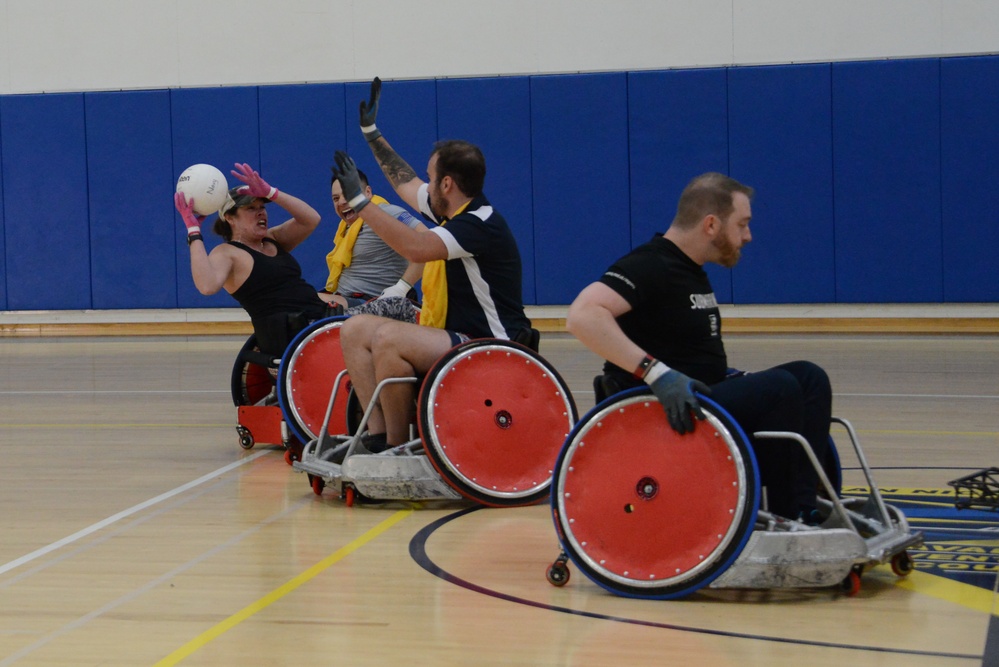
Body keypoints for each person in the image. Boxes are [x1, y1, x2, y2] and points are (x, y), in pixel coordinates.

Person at [565, 172, 832, 522]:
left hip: (703, 399)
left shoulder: (690, 268)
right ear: (710, 224)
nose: (748, 236)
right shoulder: (651, 264)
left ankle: (807, 503)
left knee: (809, 377)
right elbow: (582, 316)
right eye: (742, 224)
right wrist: (655, 373)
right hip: (663, 414)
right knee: (780, 389)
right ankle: (789, 514)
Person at [332, 77, 532, 451]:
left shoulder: (479, 224)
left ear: (447, 184)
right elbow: (403, 180)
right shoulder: (455, 209)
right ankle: (374, 438)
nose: (425, 182)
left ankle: (393, 448)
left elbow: (416, 247)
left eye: (432, 176)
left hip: (492, 344)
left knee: (389, 338)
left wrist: (360, 203)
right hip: (455, 337)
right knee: (355, 329)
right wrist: (372, 133)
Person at [174, 162, 335, 357]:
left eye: (262, 206)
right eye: (251, 208)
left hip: (325, 315)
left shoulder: (273, 239)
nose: (261, 212)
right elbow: (207, 286)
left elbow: (311, 219)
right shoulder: (227, 253)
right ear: (230, 218)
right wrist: (193, 231)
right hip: (304, 330)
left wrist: (272, 193)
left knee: (379, 302)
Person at [320, 167, 427, 309]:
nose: (341, 202)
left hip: (370, 303)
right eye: (336, 198)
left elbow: (429, 243)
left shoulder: (386, 213)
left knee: (298, 301)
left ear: (368, 192)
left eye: (348, 194)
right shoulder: (346, 226)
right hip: (342, 297)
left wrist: (401, 288)